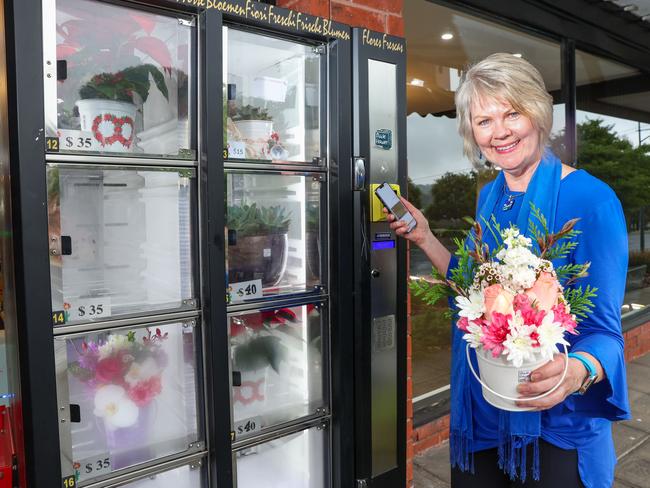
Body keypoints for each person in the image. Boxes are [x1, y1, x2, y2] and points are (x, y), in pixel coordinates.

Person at [388, 53, 630, 488]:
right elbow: (471, 289)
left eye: (511, 114)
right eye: (483, 121)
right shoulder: (490, 197)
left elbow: (606, 334)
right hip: (483, 413)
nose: (498, 132)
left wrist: (576, 372)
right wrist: (425, 237)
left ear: (537, 114)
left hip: (556, 423)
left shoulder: (591, 199)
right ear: (471, 131)